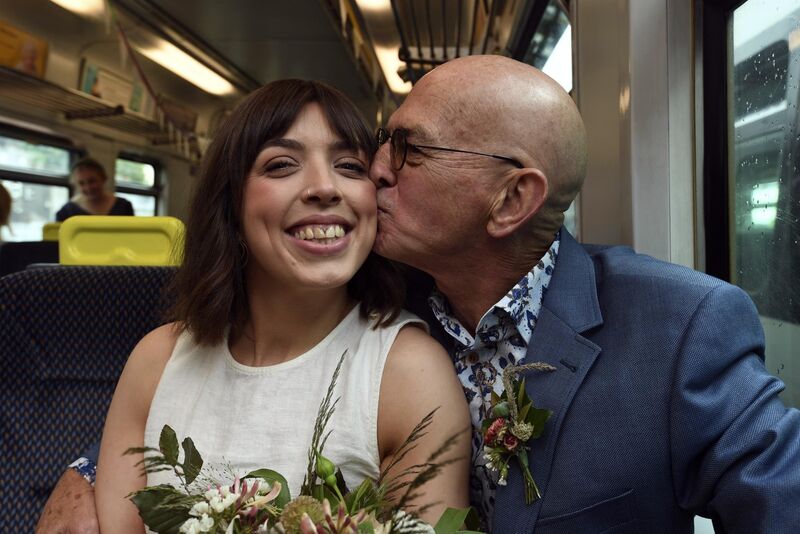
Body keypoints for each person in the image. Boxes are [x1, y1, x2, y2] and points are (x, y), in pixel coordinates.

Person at [38, 56, 800, 533]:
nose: (368, 176)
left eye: (406, 150)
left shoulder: (678, 326)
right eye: (379, 146)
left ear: (510, 202)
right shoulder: (368, 284)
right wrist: (87, 474)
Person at [91, 79, 469, 533]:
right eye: (282, 165)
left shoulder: (406, 374)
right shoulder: (156, 361)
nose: (325, 187)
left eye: (350, 166)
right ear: (231, 205)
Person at [55, 158, 134, 222]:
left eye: (92, 181)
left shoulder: (124, 206)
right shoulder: (66, 212)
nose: (88, 188)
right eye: (81, 183)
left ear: (103, 178)